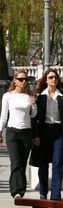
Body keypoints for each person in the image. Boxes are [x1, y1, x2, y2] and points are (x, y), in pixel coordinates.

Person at [31, 69, 63, 201]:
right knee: (43, 164)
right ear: (46, 80)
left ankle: (55, 196)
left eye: (55, 77)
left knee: (57, 163)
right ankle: (43, 193)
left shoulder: (62, 96)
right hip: (43, 132)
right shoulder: (40, 96)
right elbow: (35, 117)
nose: (53, 79)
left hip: (58, 131)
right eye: (51, 77)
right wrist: (35, 135)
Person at [0, 70, 37, 199]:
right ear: (15, 81)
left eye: (25, 79)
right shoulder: (8, 96)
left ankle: (18, 189)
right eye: (21, 79)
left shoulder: (29, 95)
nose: (24, 82)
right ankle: (17, 191)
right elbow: (3, 116)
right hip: (12, 132)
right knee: (15, 161)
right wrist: (0, 131)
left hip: (26, 132)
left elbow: (33, 115)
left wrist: (33, 103)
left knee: (22, 163)